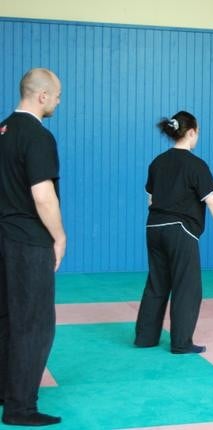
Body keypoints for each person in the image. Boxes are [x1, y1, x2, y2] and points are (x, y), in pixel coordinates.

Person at [134, 111, 213, 354]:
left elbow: (151, 200)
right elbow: (212, 201)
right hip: (180, 231)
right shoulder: (196, 165)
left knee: (157, 283)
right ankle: (181, 342)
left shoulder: (157, 162)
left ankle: (145, 338)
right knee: (186, 286)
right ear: (191, 132)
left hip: (153, 227)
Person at [0, 68, 65, 426]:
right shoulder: (38, 136)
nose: (58, 101)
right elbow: (43, 196)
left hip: (2, 235)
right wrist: (59, 236)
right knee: (34, 323)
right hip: (27, 241)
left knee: (6, 318)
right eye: (57, 96)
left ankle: (4, 391)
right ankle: (20, 407)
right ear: (42, 96)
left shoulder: (2, 130)